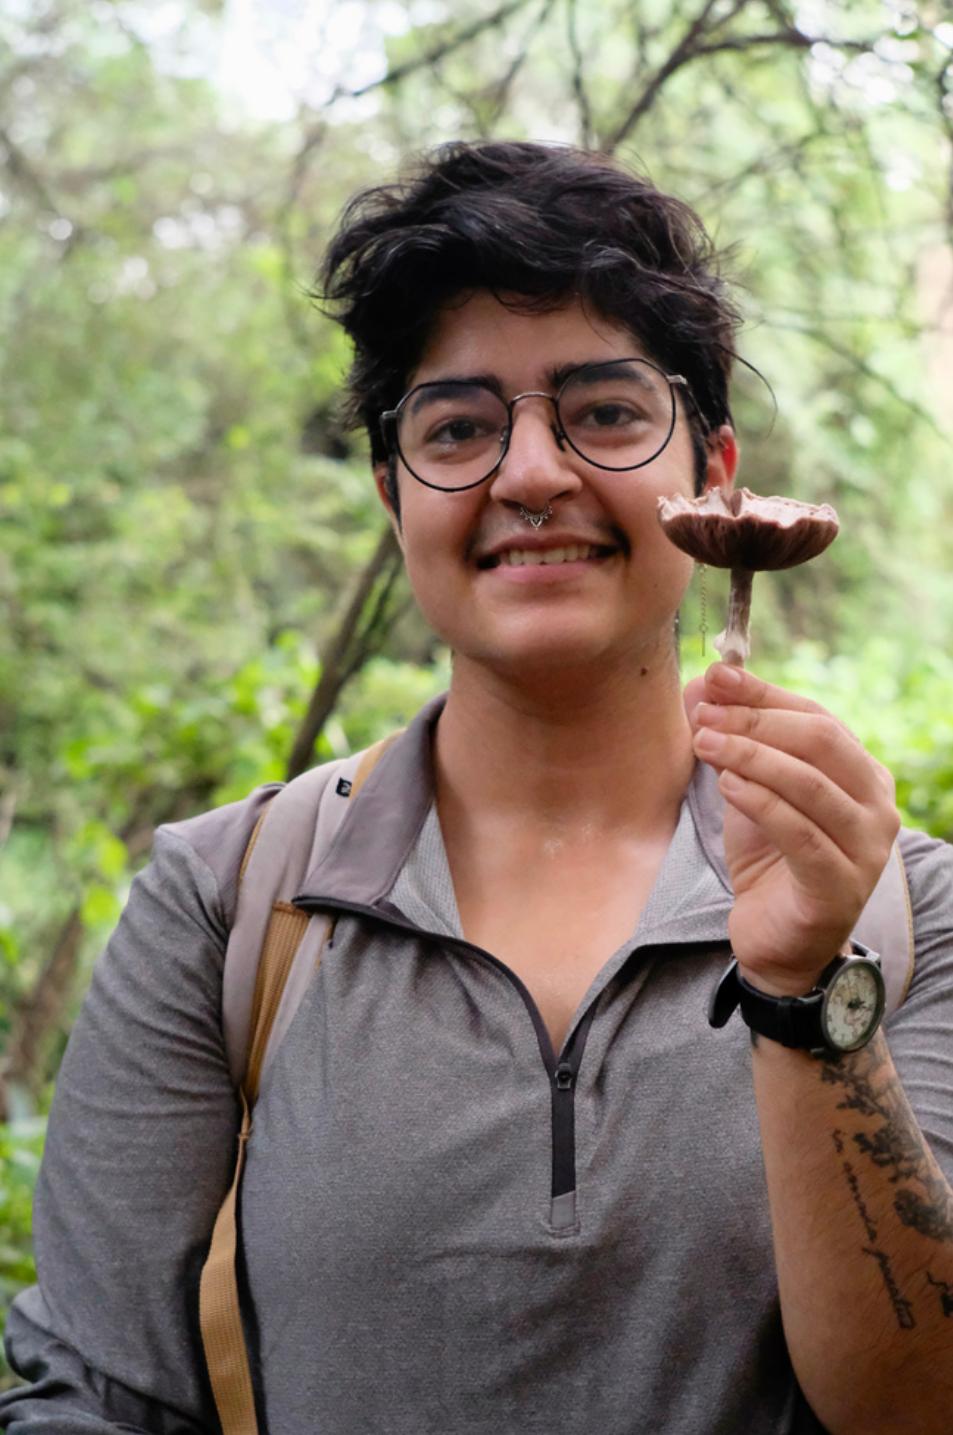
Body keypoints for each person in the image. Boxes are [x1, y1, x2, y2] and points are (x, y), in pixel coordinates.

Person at [3, 140, 953, 1435]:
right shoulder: (225, 908)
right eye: (457, 426)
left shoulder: (904, 908)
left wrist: (807, 996)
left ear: (713, 469)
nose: (529, 473)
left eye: (605, 411)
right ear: (393, 494)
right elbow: (95, 1402)